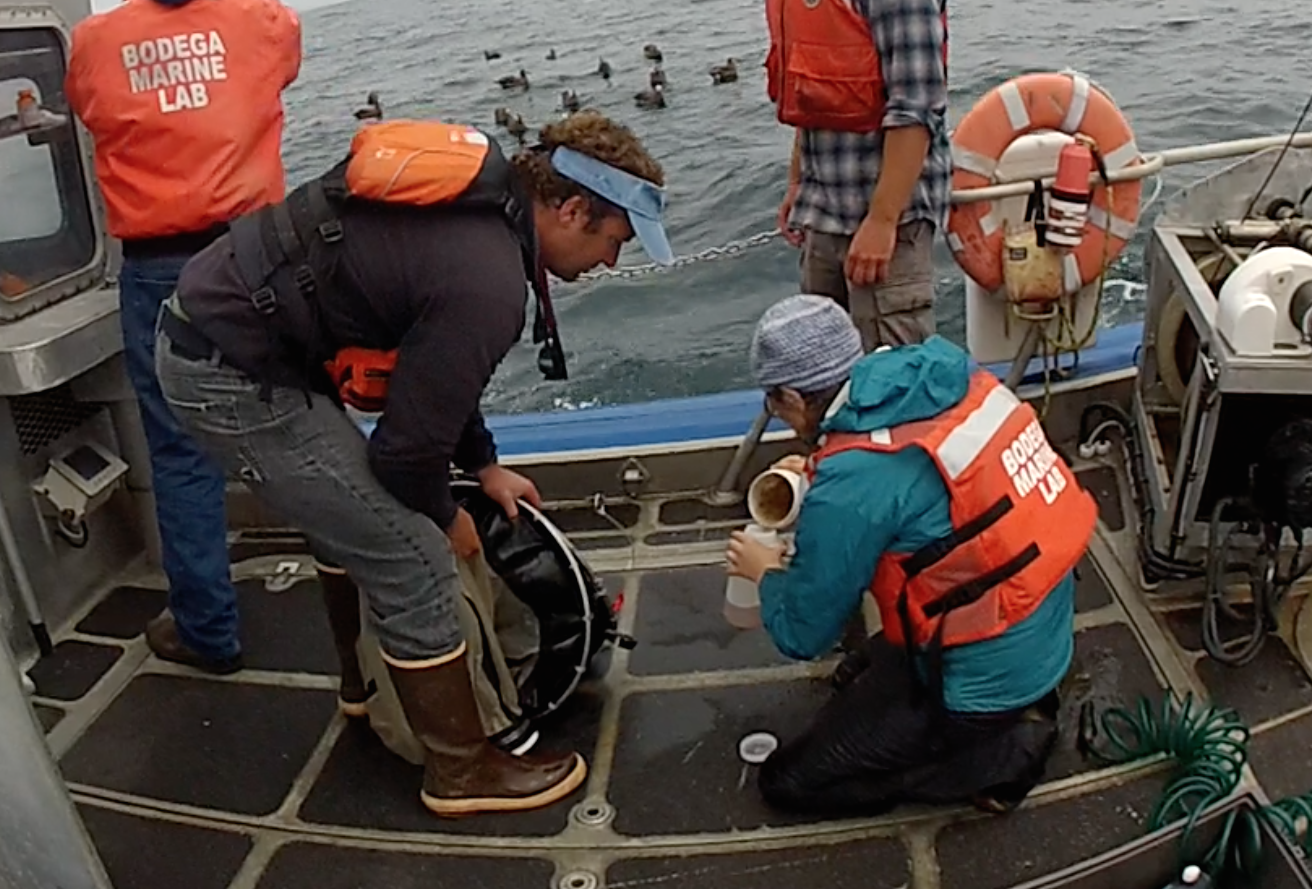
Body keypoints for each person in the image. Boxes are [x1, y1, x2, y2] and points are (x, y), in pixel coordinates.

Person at [153, 111, 671, 817]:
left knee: (351, 515)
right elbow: (405, 453)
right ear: (572, 208)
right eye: (616, 240)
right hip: (230, 373)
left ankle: (362, 691)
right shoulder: (489, 280)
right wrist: (448, 515)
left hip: (229, 332)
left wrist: (483, 464)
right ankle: (462, 770)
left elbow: (430, 374)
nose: (612, 261)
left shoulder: (485, 220)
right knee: (413, 555)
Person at [725, 295, 1096, 817]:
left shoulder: (851, 486)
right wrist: (819, 466)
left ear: (790, 395)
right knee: (857, 670)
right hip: (1040, 624)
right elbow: (917, 489)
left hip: (986, 678)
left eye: (774, 403)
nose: (777, 415)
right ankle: (1008, 707)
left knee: (790, 783)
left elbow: (801, 635)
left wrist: (764, 576)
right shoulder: (948, 381)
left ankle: (1006, 756)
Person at [65, 0, 302, 674]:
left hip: (160, 270)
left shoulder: (91, 41)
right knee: (310, 422)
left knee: (178, 450)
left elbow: (89, 108)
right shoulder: (263, 20)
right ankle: (367, 596)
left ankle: (207, 629)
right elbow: (281, 70)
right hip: (260, 258)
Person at [765, 0, 951, 351]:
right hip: (821, 211)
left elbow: (917, 107)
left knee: (893, 373)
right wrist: (797, 181)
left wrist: (882, 220)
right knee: (822, 366)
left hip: (891, 223)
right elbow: (812, 92)